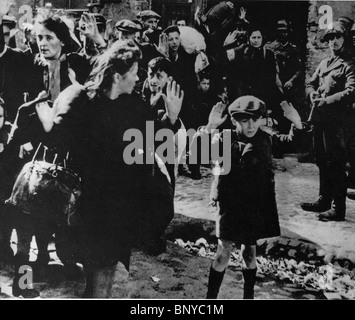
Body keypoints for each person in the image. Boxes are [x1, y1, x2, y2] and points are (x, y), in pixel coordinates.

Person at [80, 40, 183, 298]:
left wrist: (170, 119)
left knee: (106, 264)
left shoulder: (134, 105)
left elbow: (154, 140)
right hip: (95, 199)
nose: (139, 77)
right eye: (135, 71)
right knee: (98, 264)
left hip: (120, 202)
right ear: (118, 76)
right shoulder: (88, 102)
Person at [198, 95, 280, 299]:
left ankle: (248, 296)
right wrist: (209, 127)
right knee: (223, 252)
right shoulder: (224, 138)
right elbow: (206, 156)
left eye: (255, 119)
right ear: (235, 121)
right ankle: (211, 299)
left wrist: (297, 124)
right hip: (229, 203)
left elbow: (287, 145)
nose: (251, 125)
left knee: (249, 252)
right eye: (245, 120)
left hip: (253, 204)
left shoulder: (264, 139)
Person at [300, 21, 355, 222]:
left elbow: (351, 91)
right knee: (322, 160)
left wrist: (327, 100)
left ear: (345, 39)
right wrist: (313, 93)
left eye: (338, 37)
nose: (334, 42)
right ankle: (323, 200)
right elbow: (310, 82)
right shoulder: (325, 63)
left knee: (337, 163)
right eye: (330, 39)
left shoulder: (349, 64)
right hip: (320, 119)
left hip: (338, 122)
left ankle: (337, 208)